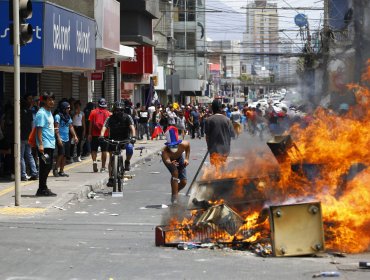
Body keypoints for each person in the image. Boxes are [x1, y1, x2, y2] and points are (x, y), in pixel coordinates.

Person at [100, 101, 136, 187]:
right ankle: (111, 178)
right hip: (113, 139)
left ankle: (127, 161)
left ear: (123, 110)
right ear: (113, 110)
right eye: (117, 110)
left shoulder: (128, 117)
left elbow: (132, 128)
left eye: (120, 110)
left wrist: (133, 136)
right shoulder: (110, 118)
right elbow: (104, 127)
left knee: (130, 148)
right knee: (111, 159)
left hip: (125, 139)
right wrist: (101, 135)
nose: (118, 112)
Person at [34, 91, 57, 196]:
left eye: (52, 99)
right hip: (45, 144)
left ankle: (43, 187)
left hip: (50, 143)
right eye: (49, 100)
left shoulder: (49, 112)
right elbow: (39, 130)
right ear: (44, 101)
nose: (52, 101)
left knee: (48, 166)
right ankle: (41, 189)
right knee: (45, 167)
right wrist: (41, 145)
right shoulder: (41, 113)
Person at [161, 126, 190, 205]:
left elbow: (188, 148)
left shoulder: (184, 144)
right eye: (171, 146)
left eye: (175, 145)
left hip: (180, 158)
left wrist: (187, 159)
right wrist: (170, 163)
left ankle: (175, 192)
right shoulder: (165, 152)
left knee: (184, 182)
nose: (173, 147)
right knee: (175, 173)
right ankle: (174, 198)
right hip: (170, 161)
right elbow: (167, 160)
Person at [205, 99, 234, 170]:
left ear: (212, 108)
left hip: (213, 149)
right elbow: (232, 134)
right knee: (223, 167)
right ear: (221, 108)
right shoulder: (227, 120)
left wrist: (208, 147)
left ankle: (218, 179)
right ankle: (222, 179)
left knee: (216, 168)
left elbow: (207, 136)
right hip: (225, 148)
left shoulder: (208, 120)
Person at [53, 101, 78, 177]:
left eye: (69, 108)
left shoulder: (68, 116)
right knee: (61, 154)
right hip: (60, 138)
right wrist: (58, 138)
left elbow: (71, 126)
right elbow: (56, 128)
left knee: (65, 156)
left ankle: (62, 171)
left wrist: (75, 136)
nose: (69, 109)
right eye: (68, 108)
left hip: (67, 139)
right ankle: (55, 169)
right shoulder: (57, 116)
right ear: (63, 108)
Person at [88, 98, 111, 172]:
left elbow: (90, 124)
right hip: (105, 135)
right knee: (104, 150)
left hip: (94, 134)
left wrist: (89, 134)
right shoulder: (109, 113)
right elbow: (109, 126)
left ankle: (94, 162)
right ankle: (103, 167)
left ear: (98, 104)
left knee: (94, 149)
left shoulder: (93, 112)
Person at [20, 96, 38, 181]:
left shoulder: (19, 113)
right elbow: (32, 125)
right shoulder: (30, 112)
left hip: (21, 137)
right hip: (29, 137)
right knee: (29, 155)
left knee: (21, 156)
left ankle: (23, 174)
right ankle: (34, 172)